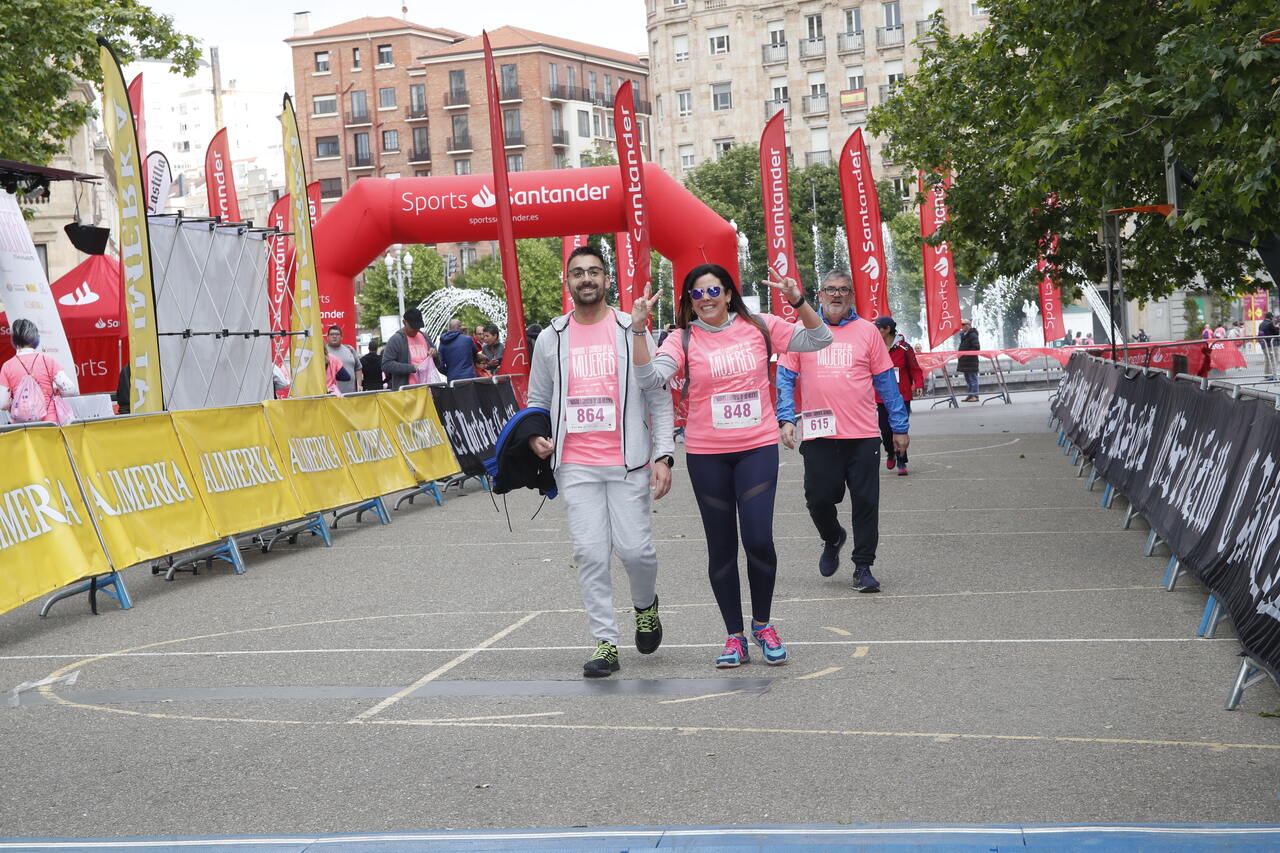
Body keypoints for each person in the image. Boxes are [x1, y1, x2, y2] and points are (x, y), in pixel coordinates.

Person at [632, 264, 832, 669]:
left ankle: (763, 625)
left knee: (758, 539)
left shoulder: (759, 326)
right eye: (696, 294)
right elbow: (649, 379)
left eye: (712, 292)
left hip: (756, 448)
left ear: (728, 294)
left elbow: (820, 338)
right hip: (708, 454)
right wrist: (638, 330)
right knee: (721, 547)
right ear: (690, 302)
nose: (705, 300)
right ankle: (734, 636)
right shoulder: (681, 338)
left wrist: (797, 300)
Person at [526, 245, 675, 678]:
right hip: (575, 465)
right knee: (590, 553)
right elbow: (537, 399)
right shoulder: (552, 337)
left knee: (635, 551)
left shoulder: (633, 327)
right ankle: (606, 642)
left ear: (607, 280)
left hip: (628, 464)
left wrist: (664, 455)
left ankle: (646, 606)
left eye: (594, 272)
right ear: (567, 282)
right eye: (577, 273)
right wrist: (537, 435)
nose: (586, 279)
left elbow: (658, 397)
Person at [775, 274, 909, 597]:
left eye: (843, 290)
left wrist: (899, 426)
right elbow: (785, 375)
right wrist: (785, 417)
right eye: (831, 289)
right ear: (819, 294)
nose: (837, 295)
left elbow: (886, 382)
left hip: (862, 435)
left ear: (851, 296)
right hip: (820, 435)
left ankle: (863, 566)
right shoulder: (802, 329)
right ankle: (833, 535)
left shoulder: (867, 332)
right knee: (817, 498)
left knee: (866, 502)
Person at [0, 318, 78, 423]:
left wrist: (13, 403)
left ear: (14, 339)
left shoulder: (7, 366)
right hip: (49, 424)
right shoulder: (47, 360)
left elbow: (2, 403)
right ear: (35, 337)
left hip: (22, 427)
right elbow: (70, 390)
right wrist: (57, 392)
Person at [871, 315, 922, 476]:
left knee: (899, 428)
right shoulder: (874, 348)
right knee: (885, 430)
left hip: (902, 395)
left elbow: (915, 368)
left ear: (887, 329)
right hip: (881, 396)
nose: (875, 331)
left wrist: (918, 385)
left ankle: (901, 460)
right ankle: (890, 452)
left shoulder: (905, 348)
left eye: (878, 328)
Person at [381, 308, 437, 391]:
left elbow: (438, 362)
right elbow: (386, 365)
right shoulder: (396, 340)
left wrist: (435, 355)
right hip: (407, 392)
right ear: (404, 322)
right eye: (413, 327)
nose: (416, 330)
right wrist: (412, 368)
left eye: (418, 327)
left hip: (427, 390)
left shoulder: (425, 337)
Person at [324, 325, 360, 395]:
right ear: (327, 337)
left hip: (351, 394)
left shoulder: (350, 349)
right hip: (332, 395)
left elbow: (358, 368)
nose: (334, 336)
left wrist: (359, 385)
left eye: (337, 334)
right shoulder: (323, 352)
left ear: (341, 337)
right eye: (331, 334)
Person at [957, 319, 981, 402]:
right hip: (965, 361)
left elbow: (976, 347)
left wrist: (966, 356)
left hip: (971, 361)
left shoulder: (972, 334)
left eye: (963, 324)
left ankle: (975, 396)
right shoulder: (964, 335)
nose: (961, 326)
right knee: (968, 379)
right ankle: (970, 395)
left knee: (973, 379)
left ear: (968, 325)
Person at [1259, 311, 1279, 380]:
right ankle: (1273, 375)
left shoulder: (1261, 324)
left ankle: (1267, 375)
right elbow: (1276, 333)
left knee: (1267, 360)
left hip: (1264, 345)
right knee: (1274, 359)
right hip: (1271, 345)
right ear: (1271, 317)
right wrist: (1277, 327)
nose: (1274, 319)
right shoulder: (1270, 324)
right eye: (1273, 317)